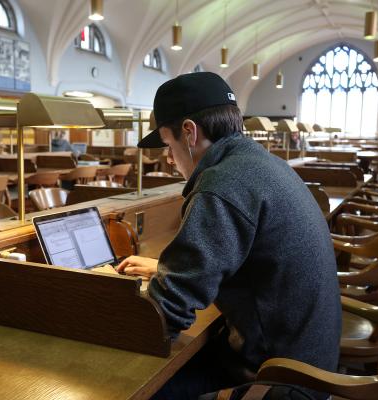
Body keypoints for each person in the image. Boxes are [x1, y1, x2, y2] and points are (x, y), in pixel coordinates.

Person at [117, 72, 341, 399]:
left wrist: (96, 318)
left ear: (189, 133)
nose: (168, 157)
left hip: (282, 379)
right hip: (307, 356)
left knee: (136, 389)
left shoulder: (221, 184)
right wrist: (163, 270)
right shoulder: (258, 163)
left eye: (167, 144)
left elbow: (167, 314)